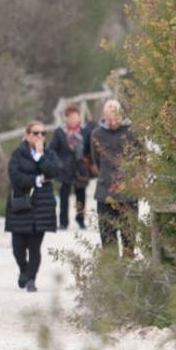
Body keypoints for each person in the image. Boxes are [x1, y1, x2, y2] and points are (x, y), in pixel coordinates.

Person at [4, 121, 60, 293]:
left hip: (42, 206)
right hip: (21, 205)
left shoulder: (48, 153)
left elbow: (53, 172)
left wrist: (40, 157)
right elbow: (15, 176)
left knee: (35, 247)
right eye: (36, 133)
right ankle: (23, 269)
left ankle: (31, 279)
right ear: (28, 135)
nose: (40, 137)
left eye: (43, 133)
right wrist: (35, 180)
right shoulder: (18, 154)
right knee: (18, 246)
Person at [91, 99, 140, 258]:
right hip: (105, 193)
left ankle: (128, 272)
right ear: (104, 117)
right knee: (108, 238)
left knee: (128, 236)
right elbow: (96, 159)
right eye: (109, 119)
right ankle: (113, 277)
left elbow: (142, 157)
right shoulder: (96, 134)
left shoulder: (132, 132)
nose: (112, 122)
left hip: (128, 192)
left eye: (115, 118)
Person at [47, 105, 95, 230]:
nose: (74, 120)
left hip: (81, 168)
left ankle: (80, 219)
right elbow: (52, 149)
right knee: (64, 196)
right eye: (71, 117)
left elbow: (90, 149)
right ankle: (63, 222)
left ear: (79, 117)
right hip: (64, 169)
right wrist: (58, 163)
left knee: (81, 195)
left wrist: (89, 162)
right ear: (66, 118)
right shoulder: (59, 132)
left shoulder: (86, 131)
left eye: (76, 117)